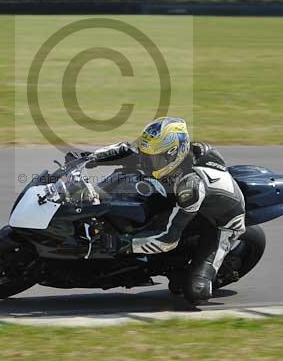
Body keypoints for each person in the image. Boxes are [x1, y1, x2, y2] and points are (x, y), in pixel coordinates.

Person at [79, 117, 246, 304]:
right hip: (189, 205)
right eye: (147, 156)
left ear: (174, 154)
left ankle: (216, 270)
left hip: (220, 222)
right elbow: (127, 150)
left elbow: (168, 239)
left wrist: (125, 244)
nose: (148, 162)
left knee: (194, 291)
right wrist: (89, 159)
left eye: (155, 158)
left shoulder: (189, 186)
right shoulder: (164, 154)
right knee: (127, 178)